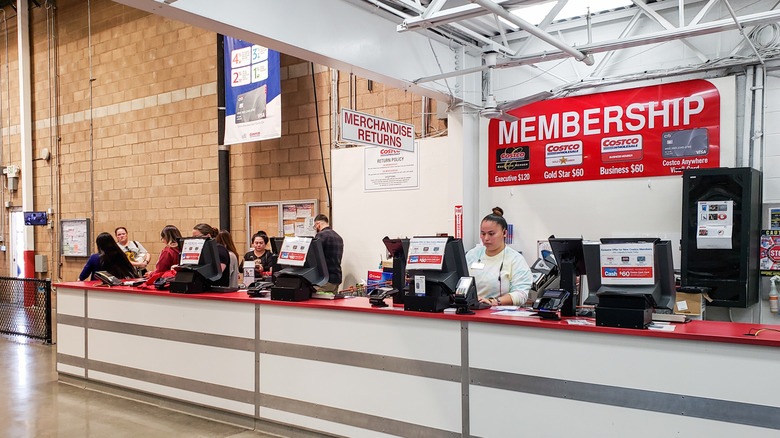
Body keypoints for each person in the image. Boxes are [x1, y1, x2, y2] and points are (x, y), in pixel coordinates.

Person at [465, 208, 532, 307]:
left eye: (491, 234)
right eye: (483, 234)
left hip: (501, 315)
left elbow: (521, 294)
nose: (486, 238)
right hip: (472, 311)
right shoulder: (472, 255)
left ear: (504, 233)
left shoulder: (515, 259)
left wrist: (493, 301)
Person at [313, 214, 343, 292]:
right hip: (336, 279)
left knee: (314, 300)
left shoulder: (321, 235)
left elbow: (314, 257)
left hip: (324, 280)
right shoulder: (338, 237)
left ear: (318, 224)